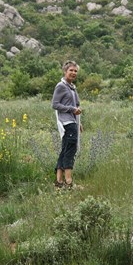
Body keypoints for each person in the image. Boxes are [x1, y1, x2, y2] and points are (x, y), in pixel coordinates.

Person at [52, 60, 82, 188]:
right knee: (70, 150)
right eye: (71, 70)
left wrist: (79, 122)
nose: (73, 73)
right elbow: (55, 104)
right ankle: (69, 182)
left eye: (75, 71)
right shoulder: (61, 86)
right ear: (65, 71)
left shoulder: (72, 87)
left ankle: (59, 181)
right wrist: (72, 109)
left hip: (72, 122)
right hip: (66, 122)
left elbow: (76, 105)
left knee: (65, 150)